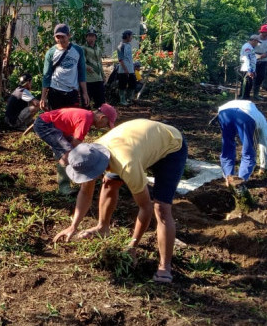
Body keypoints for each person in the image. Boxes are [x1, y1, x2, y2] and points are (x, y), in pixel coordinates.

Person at [55, 119, 188, 285]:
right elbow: (85, 192)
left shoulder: (127, 165)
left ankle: (164, 266)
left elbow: (145, 207)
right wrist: (73, 226)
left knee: (161, 208)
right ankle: (102, 227)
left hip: (171, 145)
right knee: (109, 183)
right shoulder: (88, 154)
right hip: (137, 143)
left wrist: (133, 245)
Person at [33, 104, 117, 194]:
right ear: (102, 117)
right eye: (107, 123)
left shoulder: (87, 116)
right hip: (46, 125)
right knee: (68, 153)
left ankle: (61, 161)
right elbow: (76, 143)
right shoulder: (86, 119)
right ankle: (63, 187)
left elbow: (75, 142)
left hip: (54, 125)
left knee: (68, 149)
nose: (105, 126)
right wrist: (91, 163)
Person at [217, 100, 267, 186]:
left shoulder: (254, 111)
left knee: (227, 148)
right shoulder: (261, 119)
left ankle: (228, 178)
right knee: (248, 153)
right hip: (246, 116)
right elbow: (264, 143)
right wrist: (264, 166)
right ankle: (239, 182)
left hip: (223, 112)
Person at [40, 23, 88, 111]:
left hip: (72, 92)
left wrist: (85, 93)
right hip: (55, 92)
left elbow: (82, 73)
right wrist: (43, 97)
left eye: (63, 37)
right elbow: (46, 76)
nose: (60, 40)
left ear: (69, 36)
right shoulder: (51, 53)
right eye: (57, 37)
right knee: (56, 120)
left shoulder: (78, 50)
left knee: (71, 120)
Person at [83, 27, 106, 108]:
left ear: (95, 37)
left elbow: (100, 62)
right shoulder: (83, 48)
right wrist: (87, 67)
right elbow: (81, 62)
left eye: (93, 36)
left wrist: (103, 75)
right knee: (86, 103)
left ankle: (100, 119)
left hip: (98, 78)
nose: (91, 38)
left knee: (101, 102)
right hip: (88, 80)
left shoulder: (98, 49)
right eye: (89, 36)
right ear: (86, 37)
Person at [253, 25, 267, 100]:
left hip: (263, 61)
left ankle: (256, 94)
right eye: (266, 32)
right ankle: (245, 94)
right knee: (251, 76)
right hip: (253, 60)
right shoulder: (255, 38)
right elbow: (250, 47)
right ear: (262, 32)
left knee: (261, 77)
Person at [117, 30, 136, 106]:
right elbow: (120, 59)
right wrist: (125, 69)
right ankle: (122, 100)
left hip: (130, 69)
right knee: (122, 85)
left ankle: (129, 98)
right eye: (131, 36)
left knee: (133, 84)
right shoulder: (121, 46)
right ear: (127, 36)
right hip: (123, 70)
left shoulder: (129, 45)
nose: (132, 38)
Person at [239, 34, 259, 100]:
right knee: (246, 84)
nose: (257, 43)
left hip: (250, 69)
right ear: (253, 40)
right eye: (257, 42)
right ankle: (243, 98)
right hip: (246, 69)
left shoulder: (250, 47)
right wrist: (249, 71)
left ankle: (246, 97)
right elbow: (246, 59)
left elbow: (252, 59)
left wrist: (253, 70)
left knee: (249, 85)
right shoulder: (247, 47)